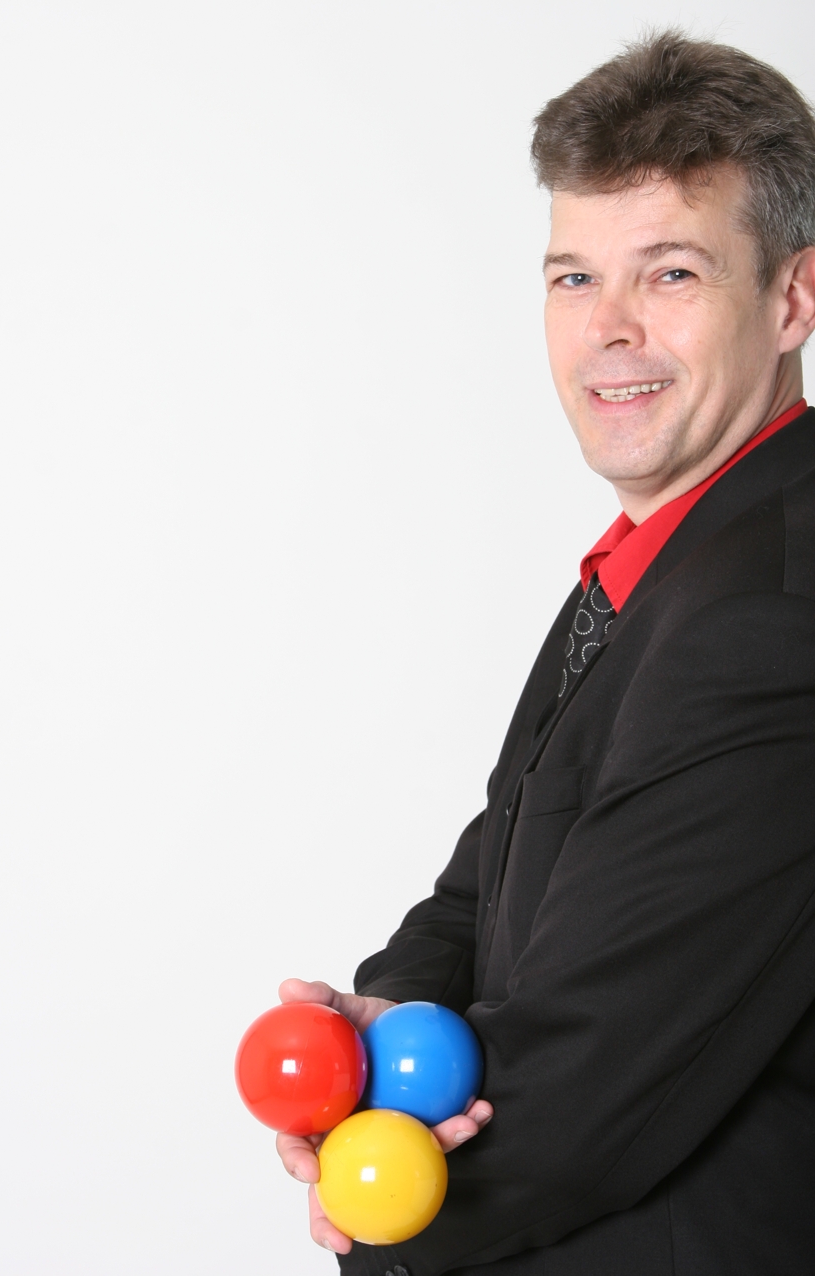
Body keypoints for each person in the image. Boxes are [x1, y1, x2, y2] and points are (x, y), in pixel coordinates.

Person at [276, 30, 815, 1275]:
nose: (608, 330)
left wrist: (374, 1184)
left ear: (792, 298)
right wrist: (373, 1040)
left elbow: (583, 1099)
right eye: (574, 278)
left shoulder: (769, 616)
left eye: (670, 272)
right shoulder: (666, 558)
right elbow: (485, 882)